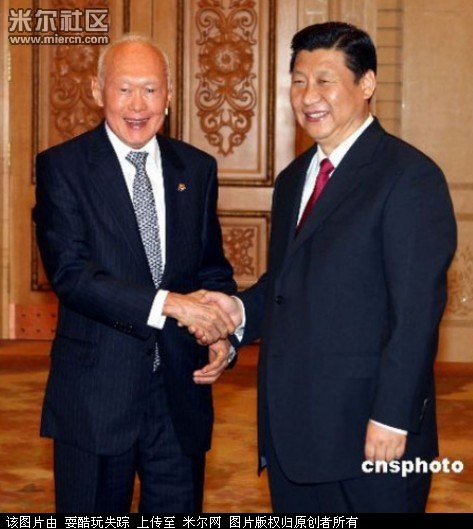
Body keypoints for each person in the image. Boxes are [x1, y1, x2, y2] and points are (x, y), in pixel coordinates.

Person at [198, 22, 457, 512]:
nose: (308, 96)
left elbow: (417, 313)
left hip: (371, 435)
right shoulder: (294, 178)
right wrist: (238, 312)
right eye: (298, 81)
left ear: (367, 84)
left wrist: (393, 417)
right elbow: (287, 282)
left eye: (324, 80)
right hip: (294, 433)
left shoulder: (409, 177)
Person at [34, 35, 236, 513]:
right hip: (96, 397)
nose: (138, 105)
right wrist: (169, 304)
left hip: (180, 394)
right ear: (97, 90)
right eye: (124, 89)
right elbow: (71, 274)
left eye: (150, 89)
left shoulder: (197, 169)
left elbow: (211, 267)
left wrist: (221, 333)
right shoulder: (63, 167)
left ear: (169, 95)